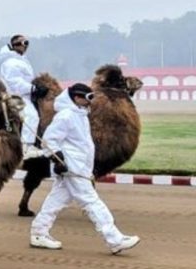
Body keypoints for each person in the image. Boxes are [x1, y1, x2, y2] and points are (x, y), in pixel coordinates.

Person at [30, 84, 140, 254]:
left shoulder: (80, 115)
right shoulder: (66, 116)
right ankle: (115, 240)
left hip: (80, 166)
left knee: (55, 201)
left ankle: (38, 233)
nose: (90, 101)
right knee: (92, 202)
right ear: (76, 98)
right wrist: (57, 159)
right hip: (73, 168)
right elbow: (49, 140)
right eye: (87, 98)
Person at [0, 35, 47, 159]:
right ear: (15, 45)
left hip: (25, 95)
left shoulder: (21, 60)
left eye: (27, 43)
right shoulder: (11, 63)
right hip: (16, 96)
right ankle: (26, 147)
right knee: (31, 116)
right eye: (24, 43)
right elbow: (15, 82)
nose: (26, 46)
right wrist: (33, 89)